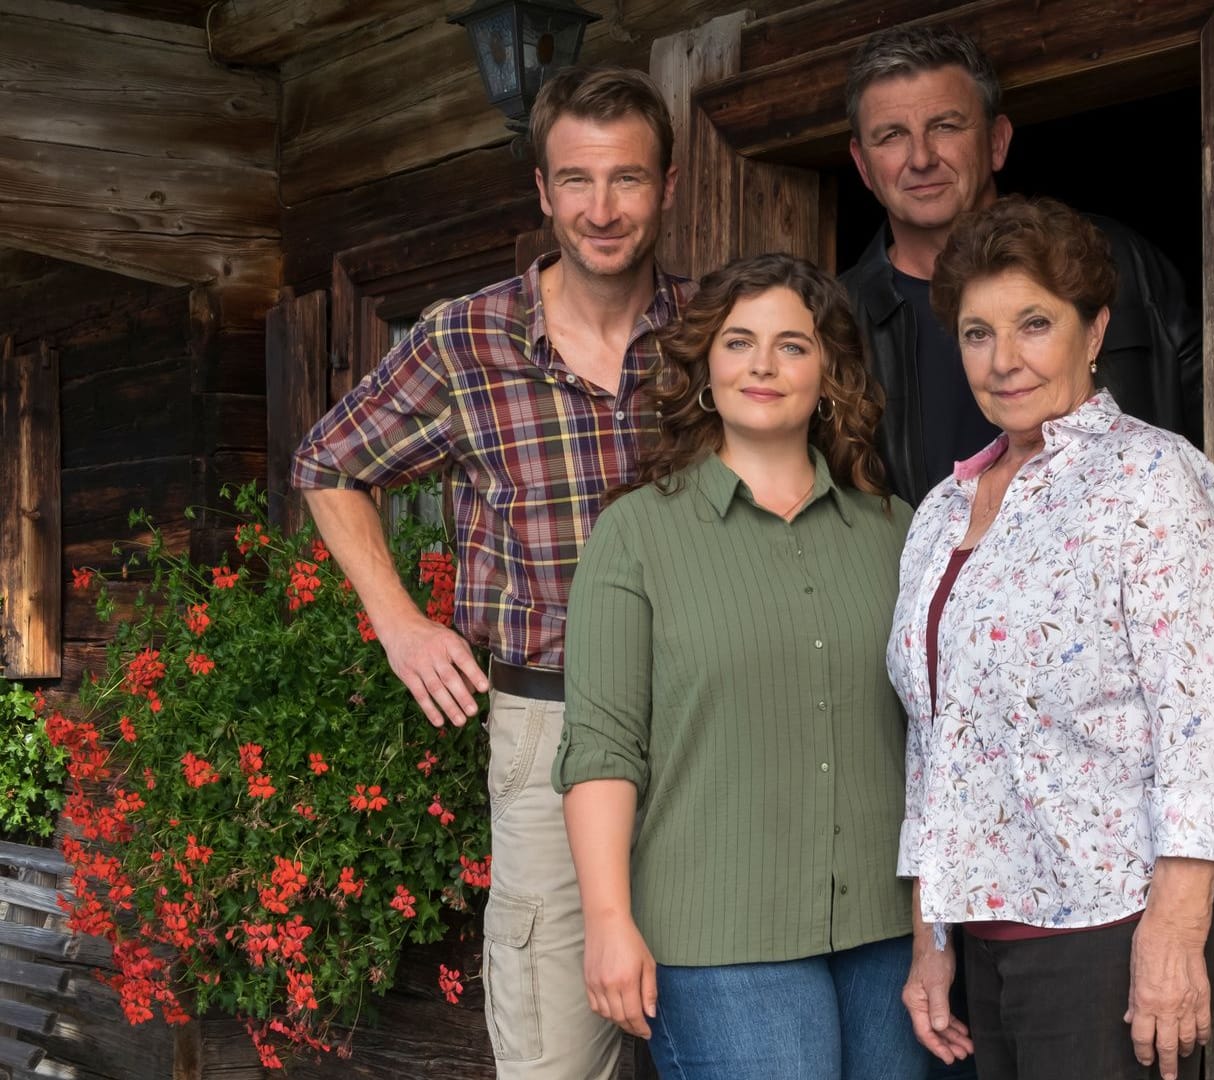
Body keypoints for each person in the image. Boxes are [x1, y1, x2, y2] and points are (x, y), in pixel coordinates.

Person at [290, 65, 688, 1080]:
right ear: (543, 194)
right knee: (558, 1054)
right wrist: (400, 622)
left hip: (704, 726)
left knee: (727, 1034)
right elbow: (327, 461)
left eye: (628, 179)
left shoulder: (711, 334)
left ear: (668, 188)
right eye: (579, 182)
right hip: (549, 726)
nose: (603, 210)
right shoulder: (464, 339)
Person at [889, 196, 1214, 1080]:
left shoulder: (1150, 477)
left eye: (1033, 324)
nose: (1004, 359)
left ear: (1094, 331)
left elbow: (1205, 713)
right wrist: (932, 936)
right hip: (992, 925)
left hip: (1114, 919)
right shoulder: (943, 510)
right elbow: (935, 742)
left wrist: (1174, 930)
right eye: (977, 333)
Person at [553, 253, 933, 1080]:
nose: (763, 365)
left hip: (889, 932)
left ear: (829, 373)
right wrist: (610, 920)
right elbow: (603, 749)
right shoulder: (636, 537)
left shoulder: (898, 531)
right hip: (719, 941)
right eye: (739, 343)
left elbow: (939, 735)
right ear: (705, 370)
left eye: (792, 345)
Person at [842, 24, 1204, 505]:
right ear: (862, 164)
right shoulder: (833, 320)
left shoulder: (1118, 258)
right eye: (891, 136)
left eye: (945, 126)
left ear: (996, 141)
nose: (921, 158)